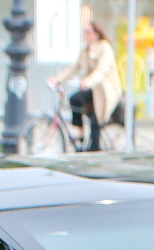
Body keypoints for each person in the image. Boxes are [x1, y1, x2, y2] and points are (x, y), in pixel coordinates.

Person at [49, 14, 122, 150]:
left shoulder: (105, 48)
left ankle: (94, 150)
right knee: (74, 99)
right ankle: (80, 134)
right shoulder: (86, 49)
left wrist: (89, 81)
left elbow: (102, 70)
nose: (85, 34)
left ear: (96, 33)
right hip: (93, 89)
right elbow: (74, 68)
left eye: (88, 31)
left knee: (96, 121)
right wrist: (58, 79)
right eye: (84, 31)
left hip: (106, 90)